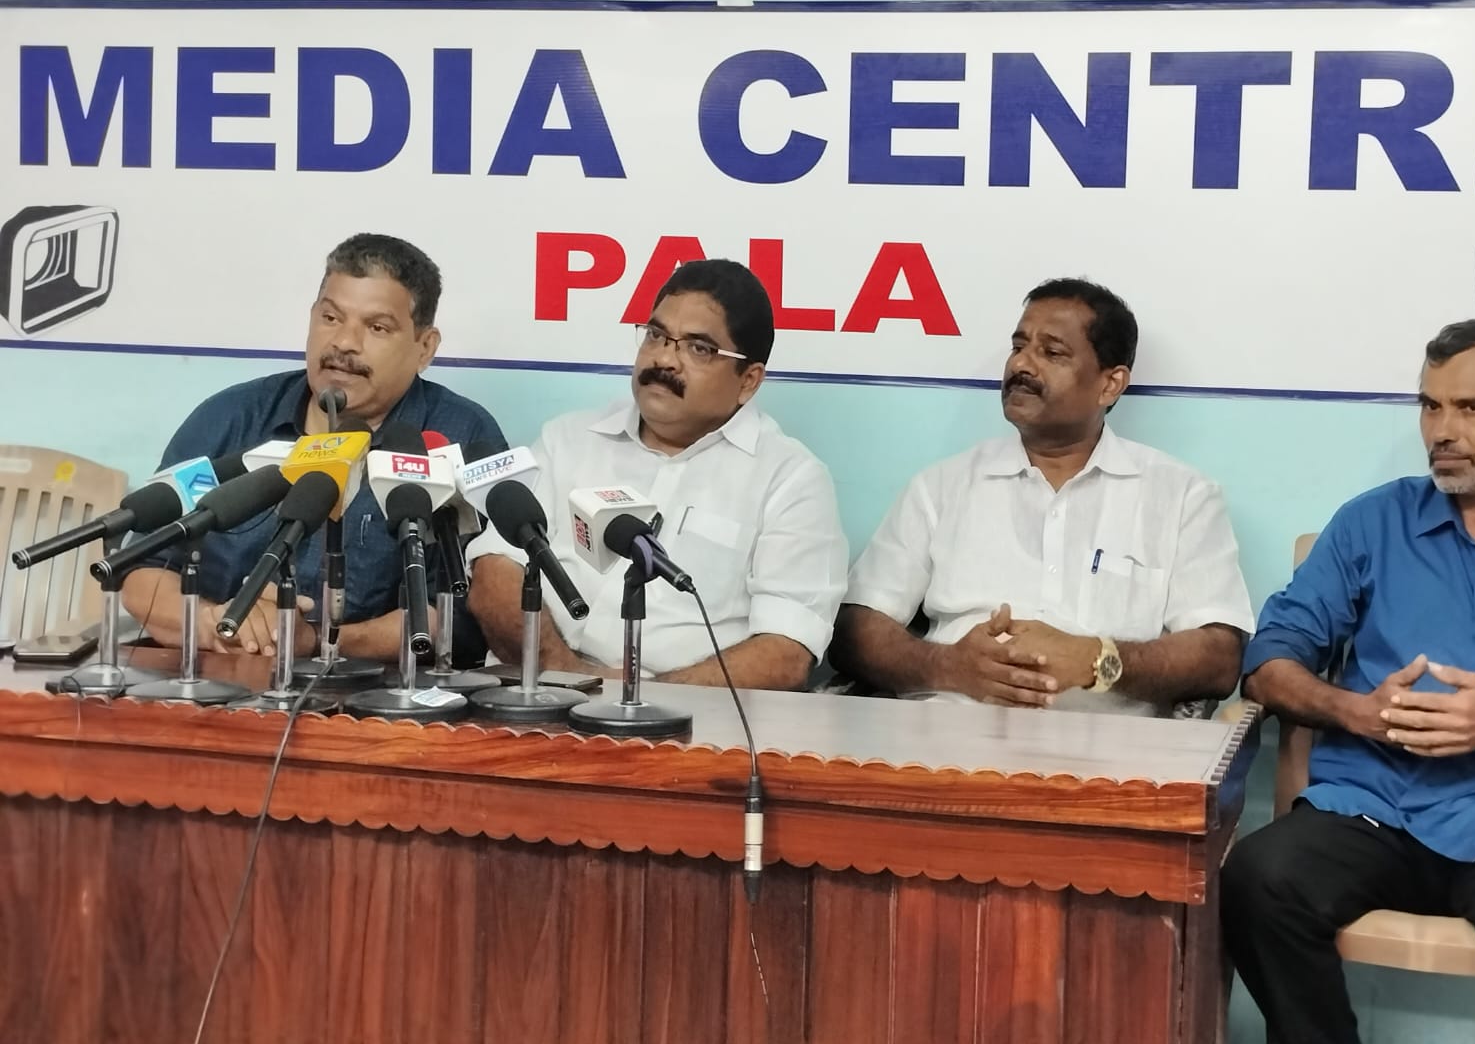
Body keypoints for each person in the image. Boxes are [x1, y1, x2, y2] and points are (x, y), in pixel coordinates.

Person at [1221, 318, 1475, 1044]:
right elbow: (1268, 662)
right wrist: (1354, 711)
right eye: (1430, 406)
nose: (1442, 431)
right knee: (1258, 881)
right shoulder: (1373, 523)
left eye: (1470, 408)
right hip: (1378, 806)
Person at [833, 277, 1252, 715]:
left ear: (1110, 384)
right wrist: (946, 665)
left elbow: (1219, 657)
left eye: (1052, 353)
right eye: (1019, 346)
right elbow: (855, 628)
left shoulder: (1182, 497)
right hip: (948, 736)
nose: (1022, 365)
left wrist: (1097, 660)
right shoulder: (941, 487)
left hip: (1106, 750)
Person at [121, 233, 507, 661]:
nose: (344, 342)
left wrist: (319, 642)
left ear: (424, 348)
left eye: (377, 327)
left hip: (372, 691)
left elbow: (457, 615)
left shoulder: (460, 435)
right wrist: (217, 625)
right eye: (330, 317)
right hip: (215, 673)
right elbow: (142, 572)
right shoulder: (231, 418)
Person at [466, 258, 847, 689]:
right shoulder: (567, 440)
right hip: (534, 690)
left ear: (748, 381)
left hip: (690, 716)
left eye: (699, 349)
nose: (665, 358)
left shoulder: (790, 481)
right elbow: (495, 571)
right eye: (655, 335)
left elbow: (785, 652)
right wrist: (565, 674)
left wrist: (641, 700)